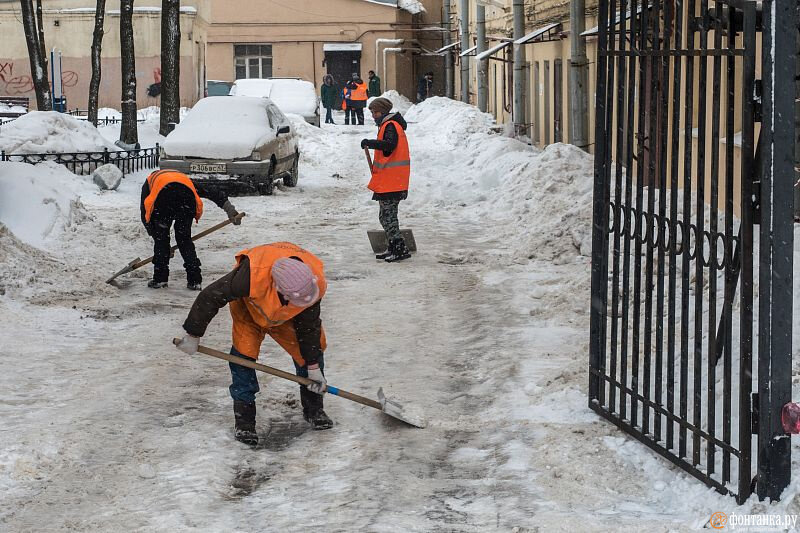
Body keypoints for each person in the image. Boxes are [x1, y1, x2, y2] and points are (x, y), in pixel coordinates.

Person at [175, 242, 332, 446]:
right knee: (243, 359)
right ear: (277, 287)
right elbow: (210, 297)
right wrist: (193, 334)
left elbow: (309, 328)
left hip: (289, 316)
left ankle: (314, 409)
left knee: (311, 350)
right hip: (250, 309)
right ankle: (245, 423)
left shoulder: (314, 284)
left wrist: (313, 367)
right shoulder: (249, 276)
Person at [140, 169, 240, 290]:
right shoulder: (184, 179)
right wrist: (230, 210)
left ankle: (160, 279)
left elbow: (144, 212)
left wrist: (158, 239)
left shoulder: (150, 181)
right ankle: (194, 280)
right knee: (184, 239)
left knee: (162, 238)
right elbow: (213, 192)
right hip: (186, 198)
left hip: (164, 199)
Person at [360, 97, 411, 262]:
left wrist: (371, 143)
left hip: (392, 182)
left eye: (375, 112)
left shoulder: (390, 126)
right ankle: (393, 246)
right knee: (385, 216)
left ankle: (399, 248)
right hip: (390, 181)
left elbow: (389, 145)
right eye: (372, 112)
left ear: (383, 111)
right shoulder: (388, 125)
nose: (374, 115)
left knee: (389, 217)